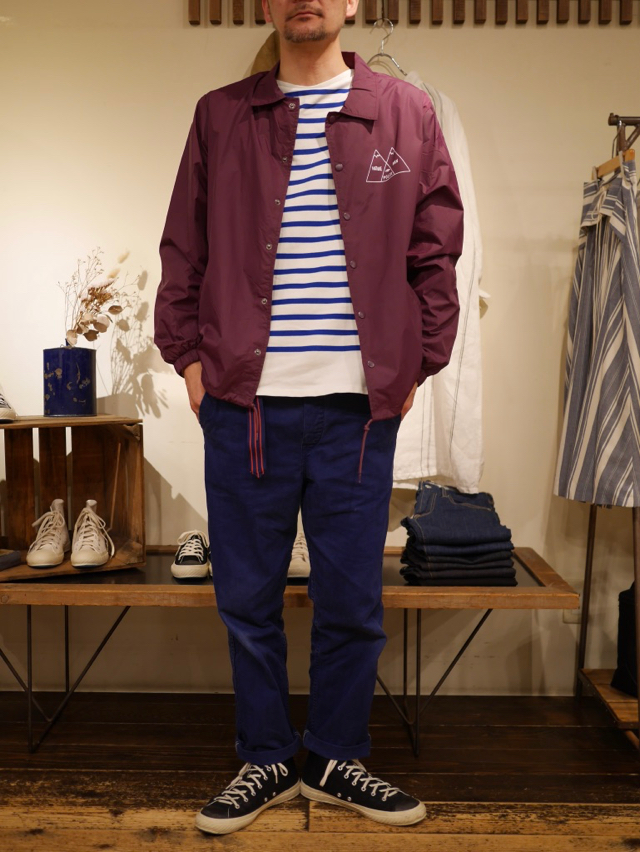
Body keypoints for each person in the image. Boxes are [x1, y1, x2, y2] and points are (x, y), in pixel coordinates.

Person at [154, 0, 463, 836]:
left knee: (353, 602)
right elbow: (184, 246)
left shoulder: (405, 111)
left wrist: (417, 362)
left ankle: (333, 758)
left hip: (357, 410)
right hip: (245, 406)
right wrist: (190, 362)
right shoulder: (221, 115)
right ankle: (263, 758)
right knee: (247, 600)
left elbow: (435, 249)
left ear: (352, 2)